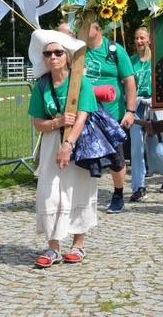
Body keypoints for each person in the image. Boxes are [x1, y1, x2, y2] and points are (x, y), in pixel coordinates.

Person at [28, 29, 99, 268]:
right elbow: (37, 121)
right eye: (48, 53)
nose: (53, 57)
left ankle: (78, 244)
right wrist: (56, 123)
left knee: (77, 189)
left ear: (67, 55)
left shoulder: (80, 81)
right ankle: (53, 247)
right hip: (50, 143)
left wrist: (68, 145)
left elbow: (82, 115)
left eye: (58, 52)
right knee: (49, 191)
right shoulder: (42, 86)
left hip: (78, 142)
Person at [85, 22, 136, 214]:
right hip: (86, 114)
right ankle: (85, 195)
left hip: (112, 114)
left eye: (85, 26)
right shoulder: (77, 50)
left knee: (116, 158)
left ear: (97, 28)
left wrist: (130, 111)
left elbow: (129, 80)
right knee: (86, 156)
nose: (80, 29)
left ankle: (118, 194)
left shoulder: (114, 50)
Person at [128, 27, 163, 202]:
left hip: (154, 106)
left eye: (142, 38)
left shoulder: (156, 59)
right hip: (136, 106)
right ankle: (139, 187)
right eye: (136, 38)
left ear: (148, 40)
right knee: (136, 148)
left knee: (155, 148)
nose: (139, 41)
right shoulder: (131, 61)